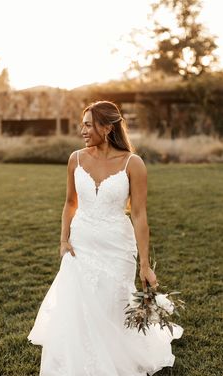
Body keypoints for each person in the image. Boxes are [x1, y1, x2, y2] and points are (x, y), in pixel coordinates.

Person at [27, 100, 183, 376]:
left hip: (117, 246)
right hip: (81, 244)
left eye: (88, 124)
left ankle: (116, 354)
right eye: (82, 123)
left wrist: (145, 265)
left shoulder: (133, 164)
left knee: (112, 304)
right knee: (80, 304)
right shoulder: (75, 159)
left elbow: (139, 216)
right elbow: (69, 203)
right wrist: (64, 240)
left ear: (107, 127)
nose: (82, 129)